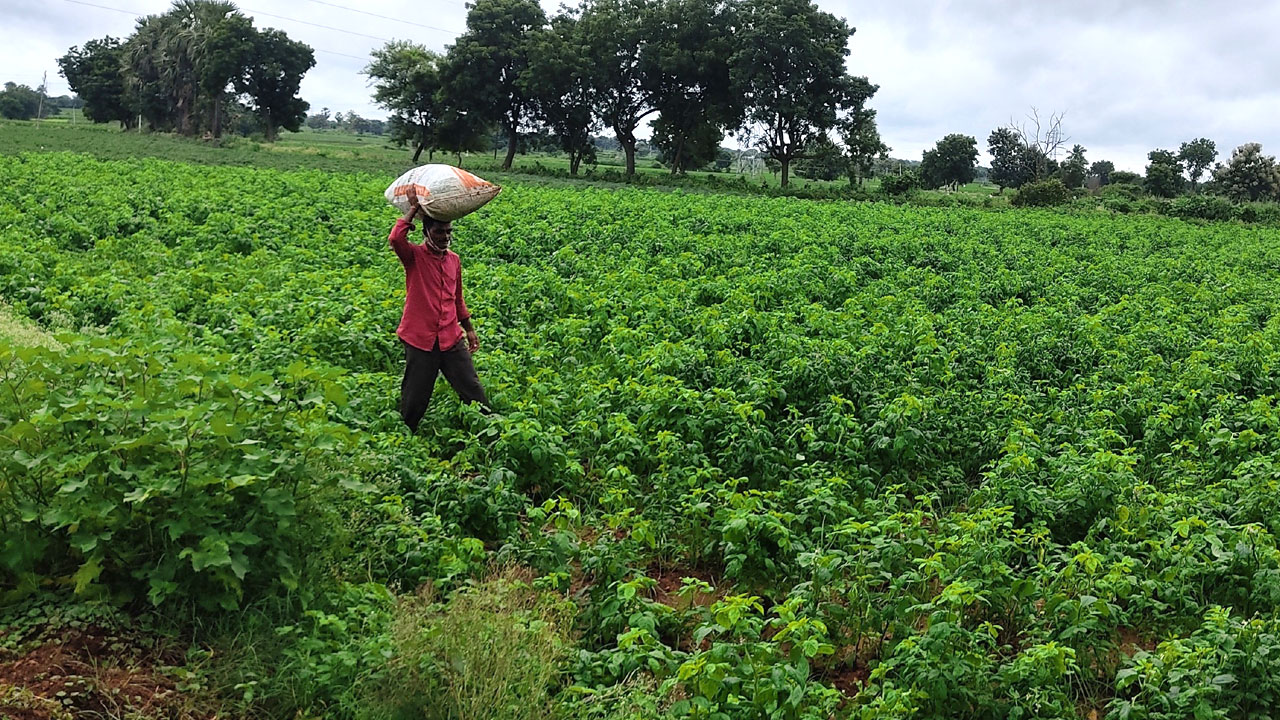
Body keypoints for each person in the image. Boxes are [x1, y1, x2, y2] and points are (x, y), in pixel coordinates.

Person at [389, 189, 488, 433]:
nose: (444, 237)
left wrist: (470, 329)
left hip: (450, 337)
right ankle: (406, 434)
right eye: (439, 232)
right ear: (426, 232)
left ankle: (488, 428)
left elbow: (457, 299)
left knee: (471, 386)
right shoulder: (415, 257)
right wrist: (413, 210)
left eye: (448, 232)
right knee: (417, 392)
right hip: (420, 339)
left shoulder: (453, 260)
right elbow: (395, 239)